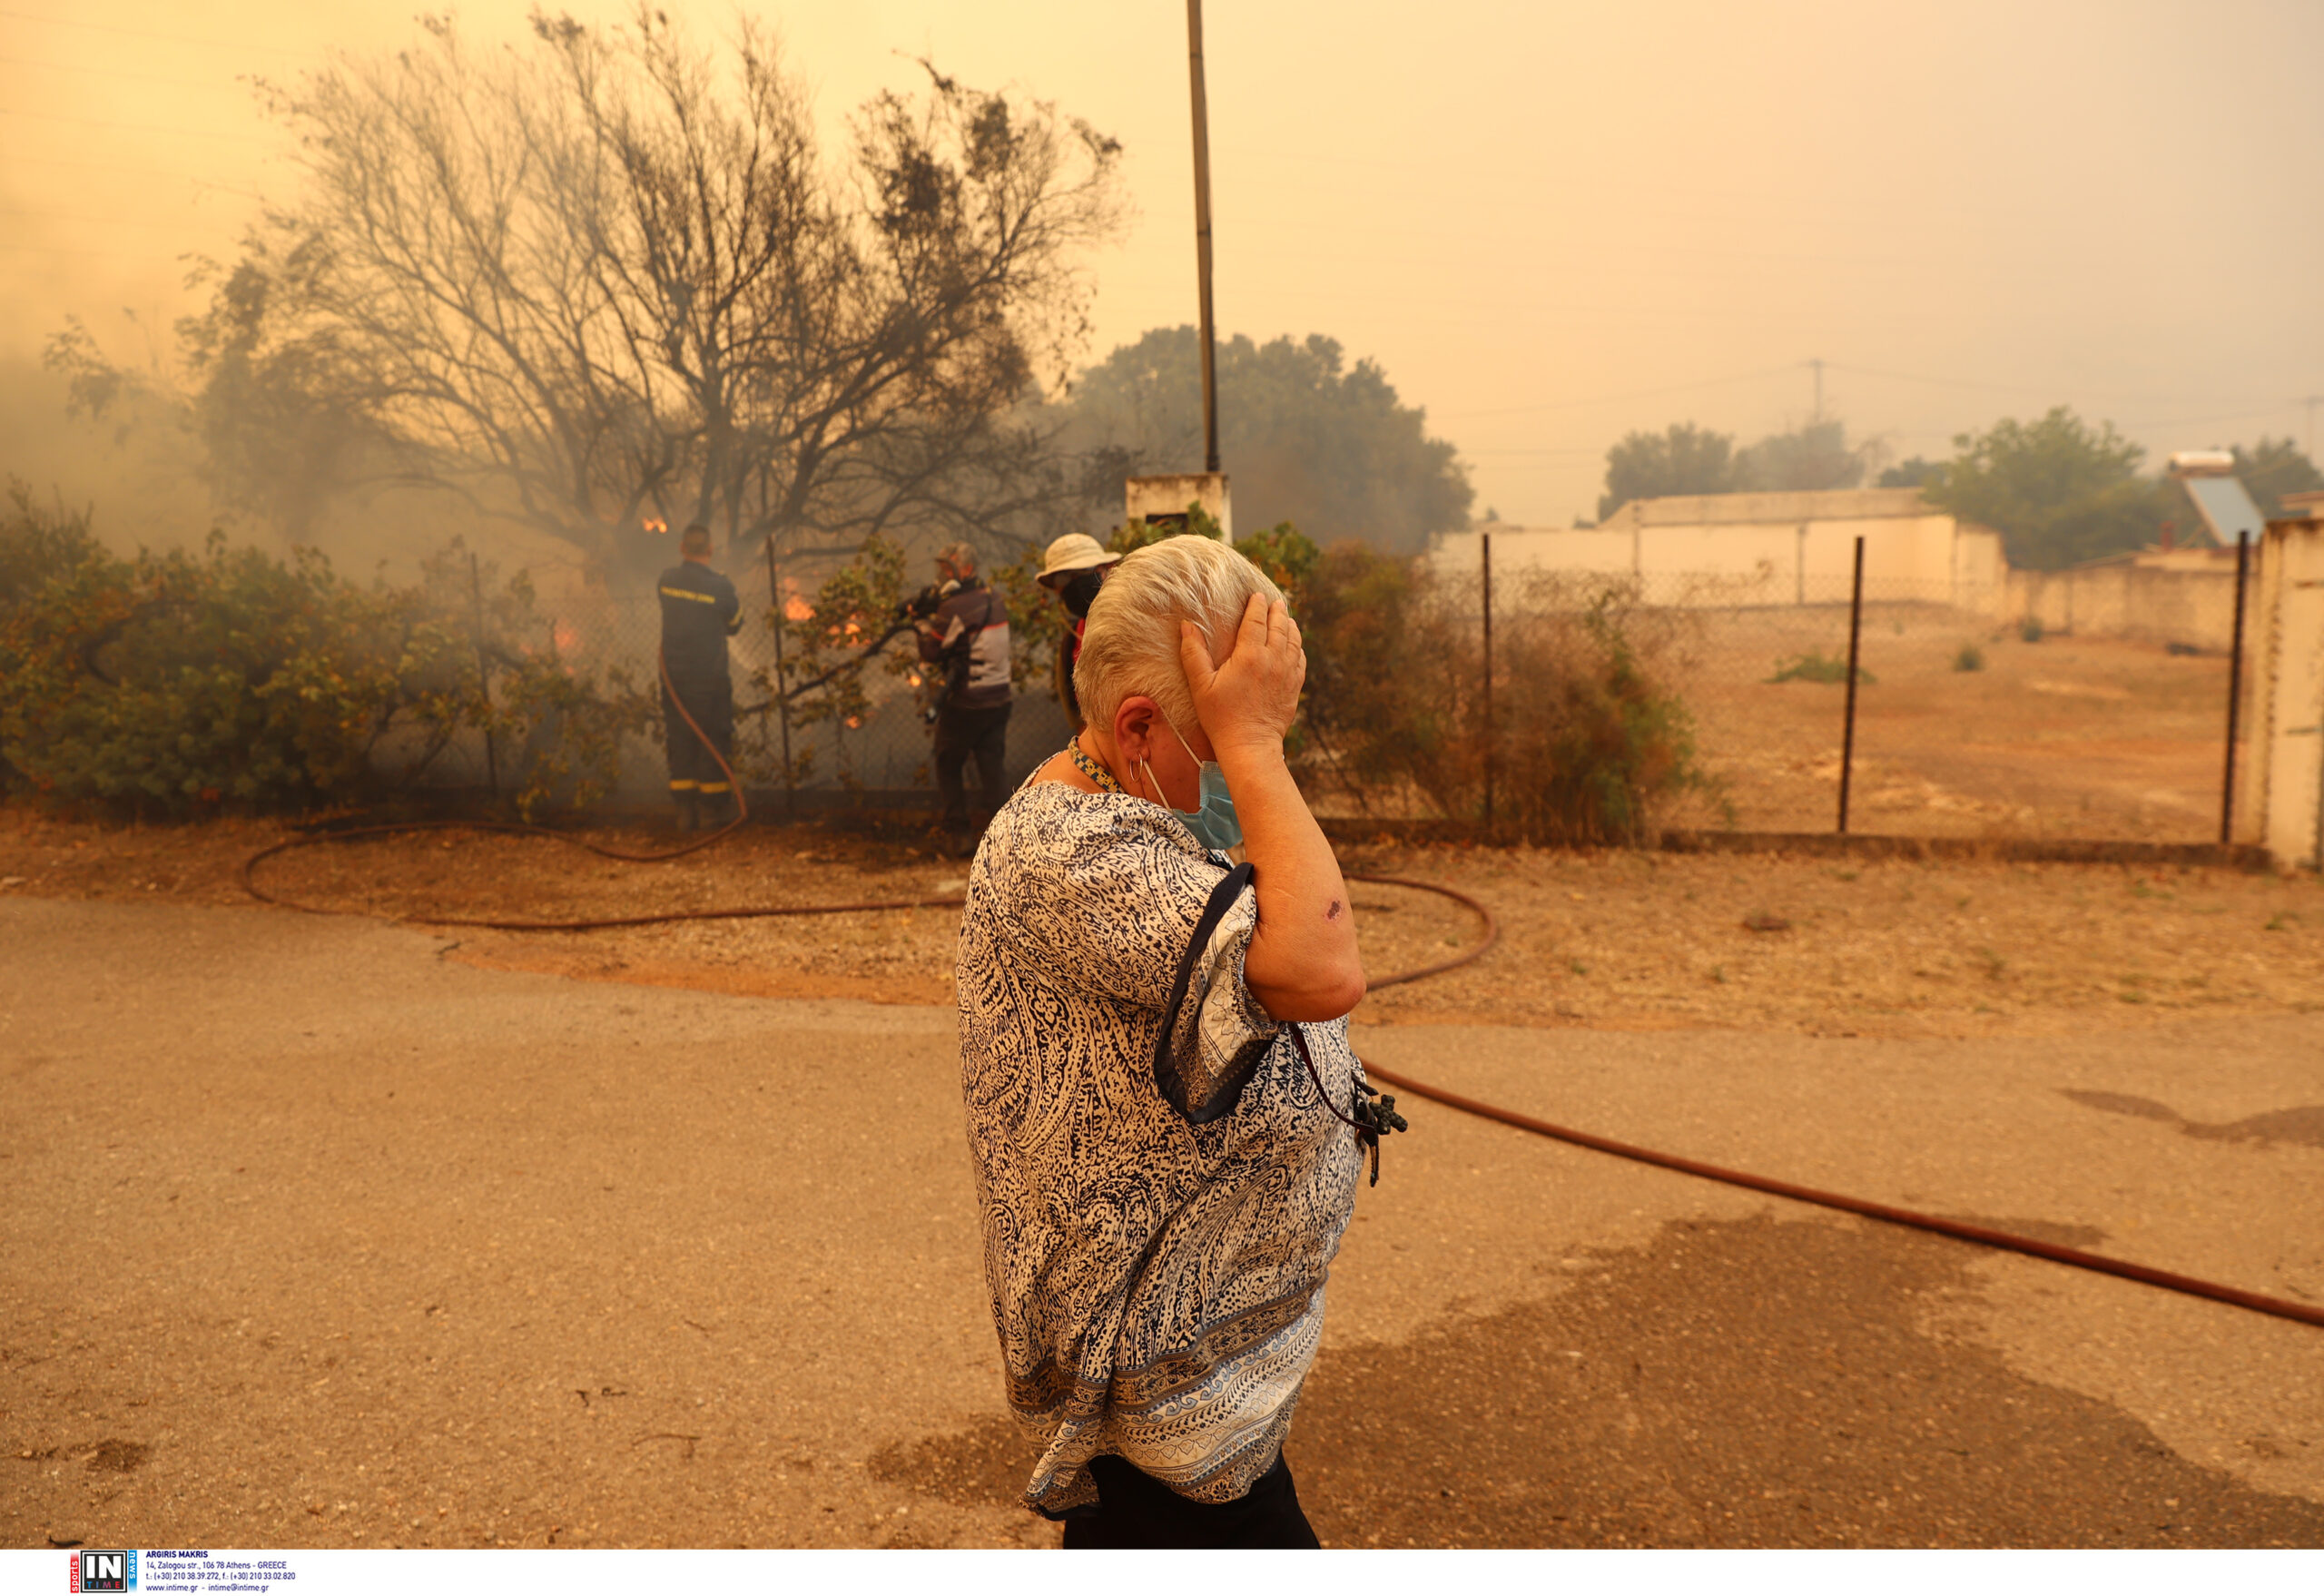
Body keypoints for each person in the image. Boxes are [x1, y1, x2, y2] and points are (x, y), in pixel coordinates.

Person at [954, 535, 1384, 1548]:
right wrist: (1259, 750)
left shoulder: (1129, 806)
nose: (1245, 762)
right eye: (1225, 737)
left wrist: (1240, 741)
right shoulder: (1072, 852)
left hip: (1197, 1366)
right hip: (1160, 1379)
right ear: (1139, 725)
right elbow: (1319, 974)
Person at [916, 541, 1013, 842]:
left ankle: (958, 834)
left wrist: (918, 622)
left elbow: (931, 652)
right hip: (1000, 700)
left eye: (948, 568)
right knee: (992, 769)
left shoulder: (952, 607)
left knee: (948, 762)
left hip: (967, 704)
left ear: (966, 569)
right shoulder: (994, 598)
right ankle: (1004, 842)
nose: (943, 575)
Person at [655, 524, 742, 831]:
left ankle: (685, 813)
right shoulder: (721, 587)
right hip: (711, 678)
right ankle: (713, 814)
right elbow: (735, 624)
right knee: (714, 739)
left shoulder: (666, 582)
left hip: (675, 679)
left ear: (682, 548)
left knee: (680, 739)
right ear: (710, 550)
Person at [1034, 532, 1121, 732]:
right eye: (1063, 578)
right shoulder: (1073, 637)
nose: (1073, 584)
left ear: (1105, 571)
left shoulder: (1136, 623)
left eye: (1082, 571)